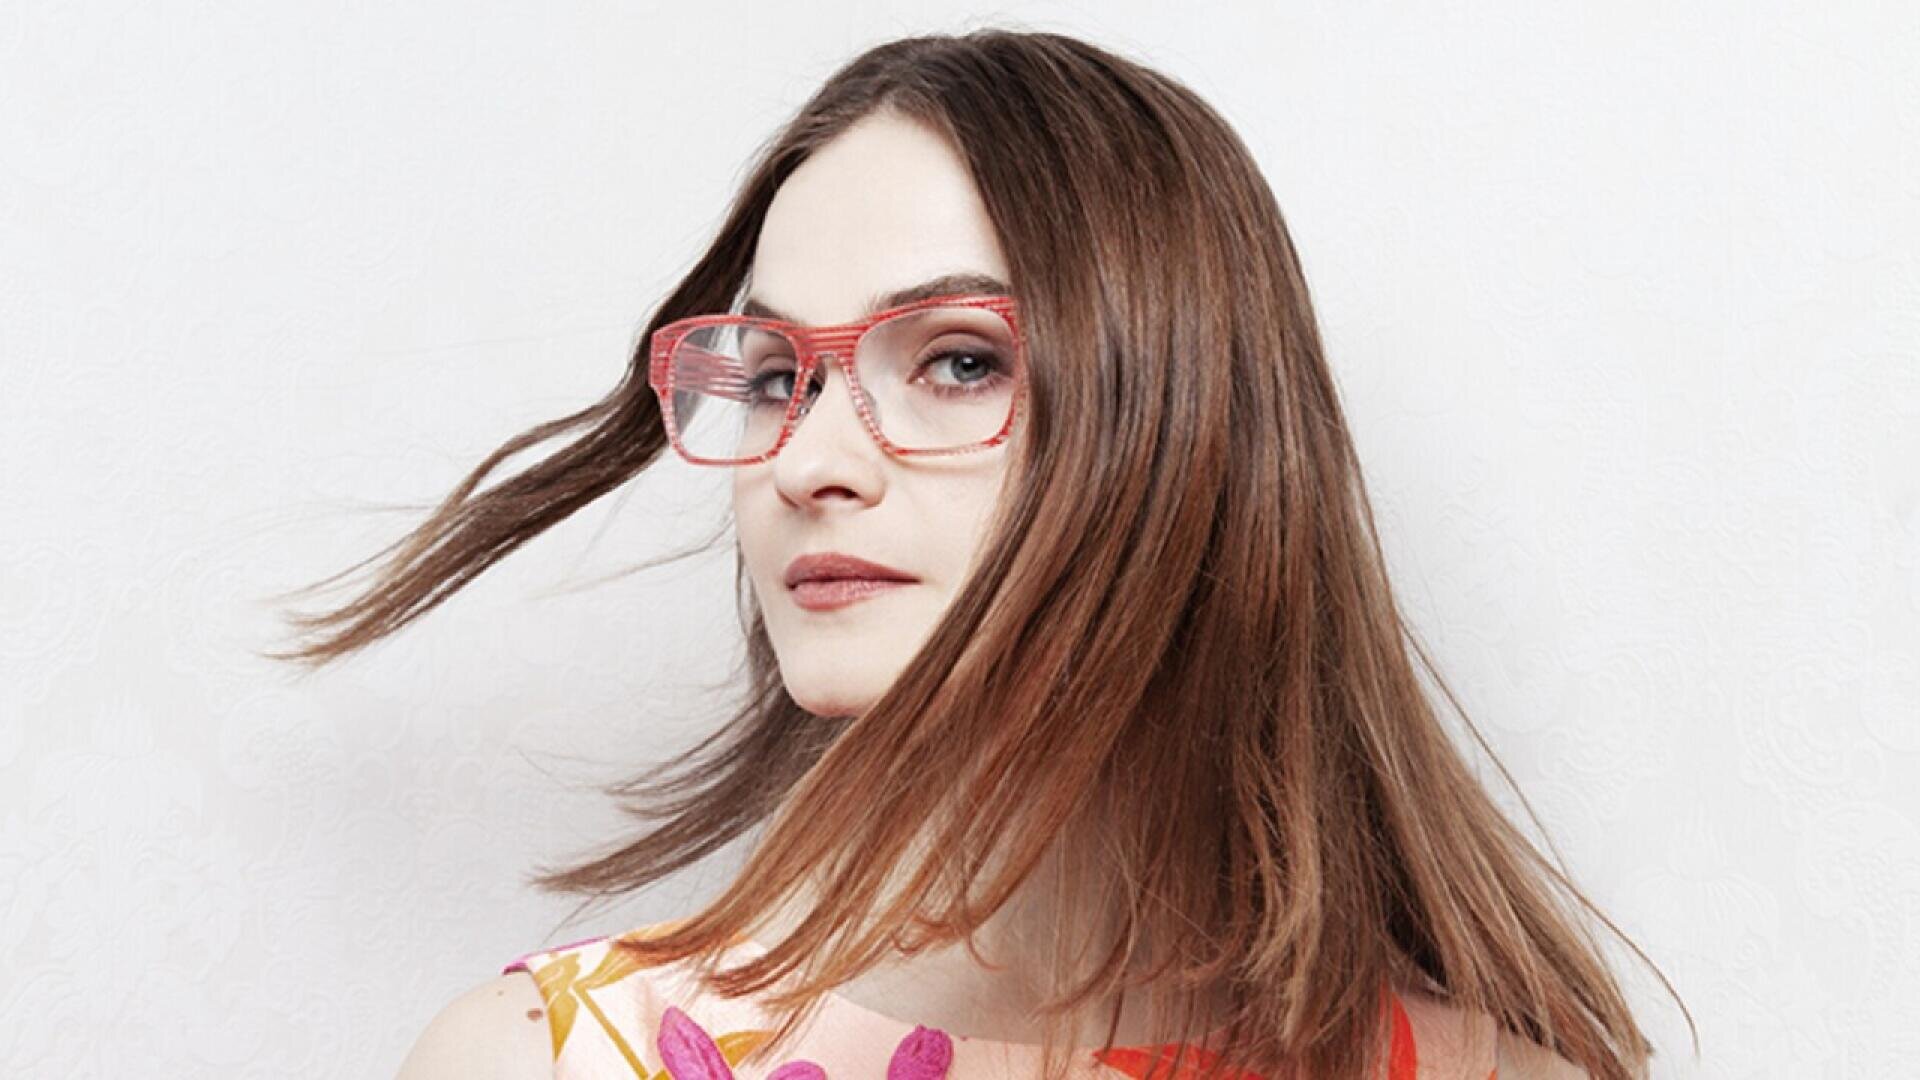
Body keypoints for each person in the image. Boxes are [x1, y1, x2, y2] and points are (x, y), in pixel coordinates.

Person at [271, 27, 1690, 1080]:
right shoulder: (545, 1064)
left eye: (954, 359)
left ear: (1186, 419)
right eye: (772, 374)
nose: (808, 460)